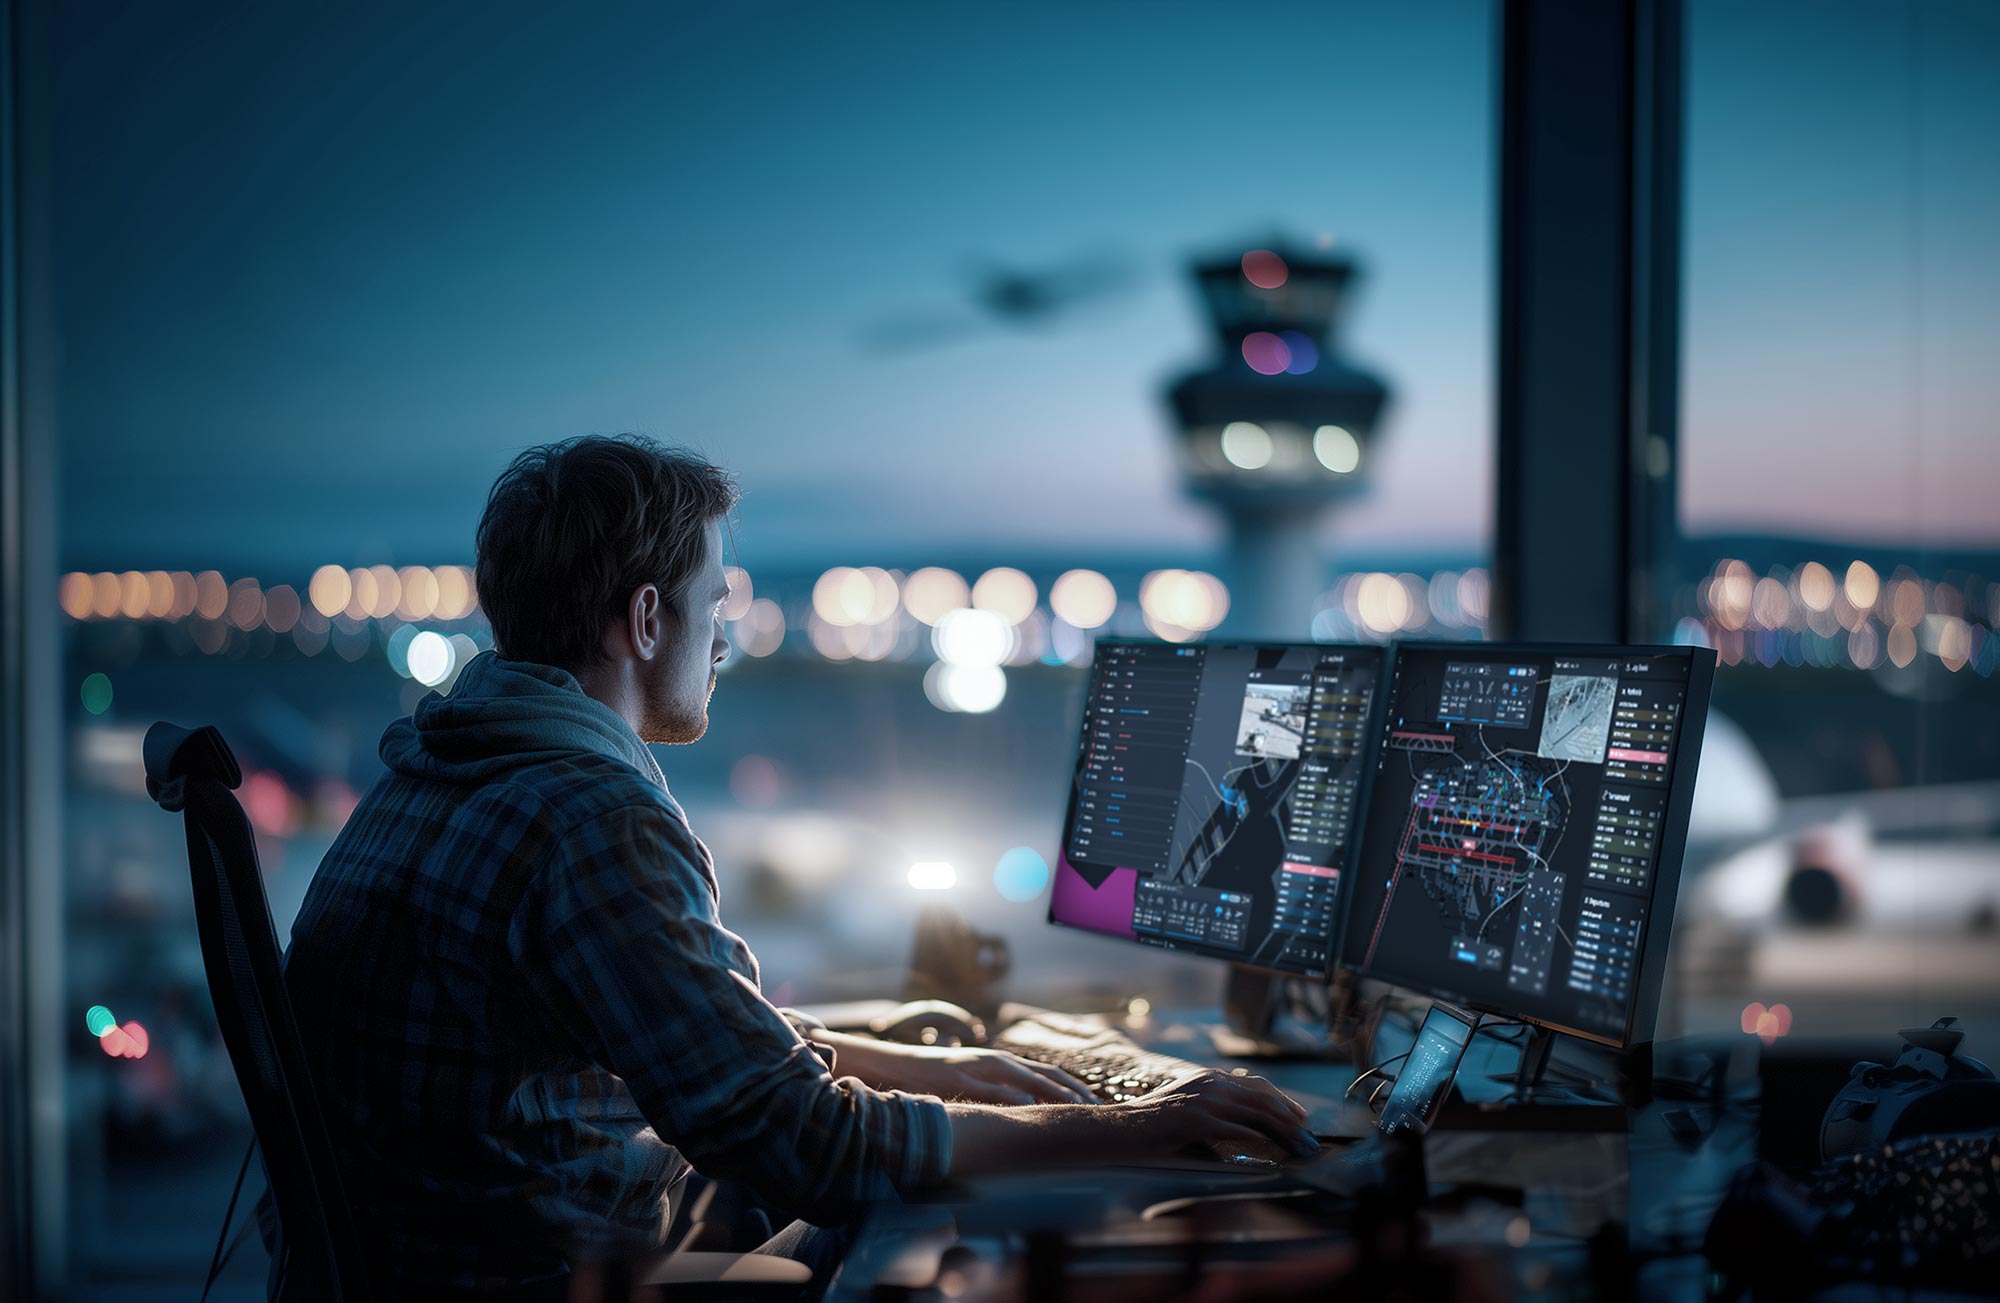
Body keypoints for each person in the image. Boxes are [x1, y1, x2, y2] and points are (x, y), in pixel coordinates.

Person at [280, 434, 1320, 1298]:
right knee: (944, 1236)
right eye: (715, 607)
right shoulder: (588, 815)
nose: (724, 643)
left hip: (441, 1255)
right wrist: (1137, 1122)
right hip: (539, 1274)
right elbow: (804, 1142)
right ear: (647, 620)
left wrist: (929, 1068)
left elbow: (694, 1036)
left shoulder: (440, 762)